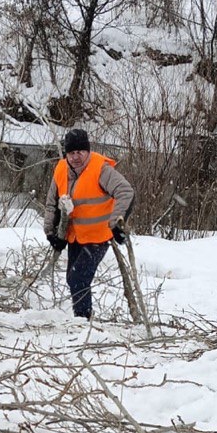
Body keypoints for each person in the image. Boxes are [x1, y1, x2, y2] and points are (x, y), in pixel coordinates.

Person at [42, 128, 135, 321]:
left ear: (88, 151)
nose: (75, 157)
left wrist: (117, 224)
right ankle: (83, 318)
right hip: (75, 235)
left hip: (98, 237)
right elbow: (52, 202)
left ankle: (83, 321)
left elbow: (125, 191)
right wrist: (51, 232)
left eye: (80, 152)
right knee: (72, 279)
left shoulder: (101, 170)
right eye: (71, 153)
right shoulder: (61, 169)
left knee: (79, 278)